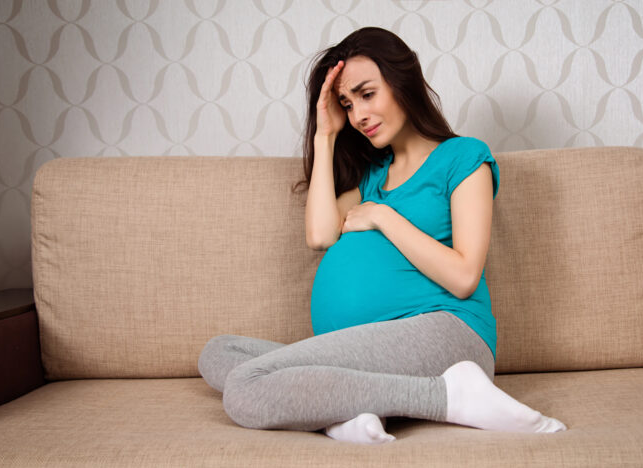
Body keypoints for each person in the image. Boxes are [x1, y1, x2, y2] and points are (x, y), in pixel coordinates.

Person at [198, 27, 566, 444]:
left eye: (366, 94)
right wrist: (325, 135)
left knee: (246, 388)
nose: (358, 116)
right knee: (219, 353)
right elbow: (320, 235)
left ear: (401, 81)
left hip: (447, 332)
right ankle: (345, 409)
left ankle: (448, 396)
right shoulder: (374, 178)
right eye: (347, 104)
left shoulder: (463, 158)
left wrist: (385, 217)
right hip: (363, 346)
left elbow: (464, 276)